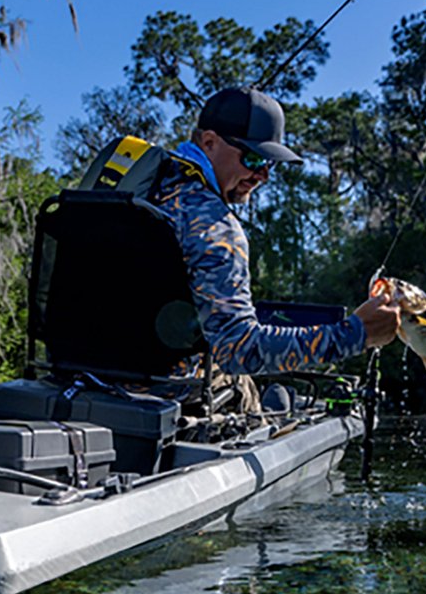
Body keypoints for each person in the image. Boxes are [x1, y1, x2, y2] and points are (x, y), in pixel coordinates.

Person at [147, 87, 400, 398]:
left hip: (87, 383)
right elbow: (237, 350)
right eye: (253, 158)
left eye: (269, 163)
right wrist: (354, 334)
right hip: (162, 394)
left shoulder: (145, 188)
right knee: (250, 389)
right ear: (209, 142)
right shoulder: (214, 225)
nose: (262, 175)